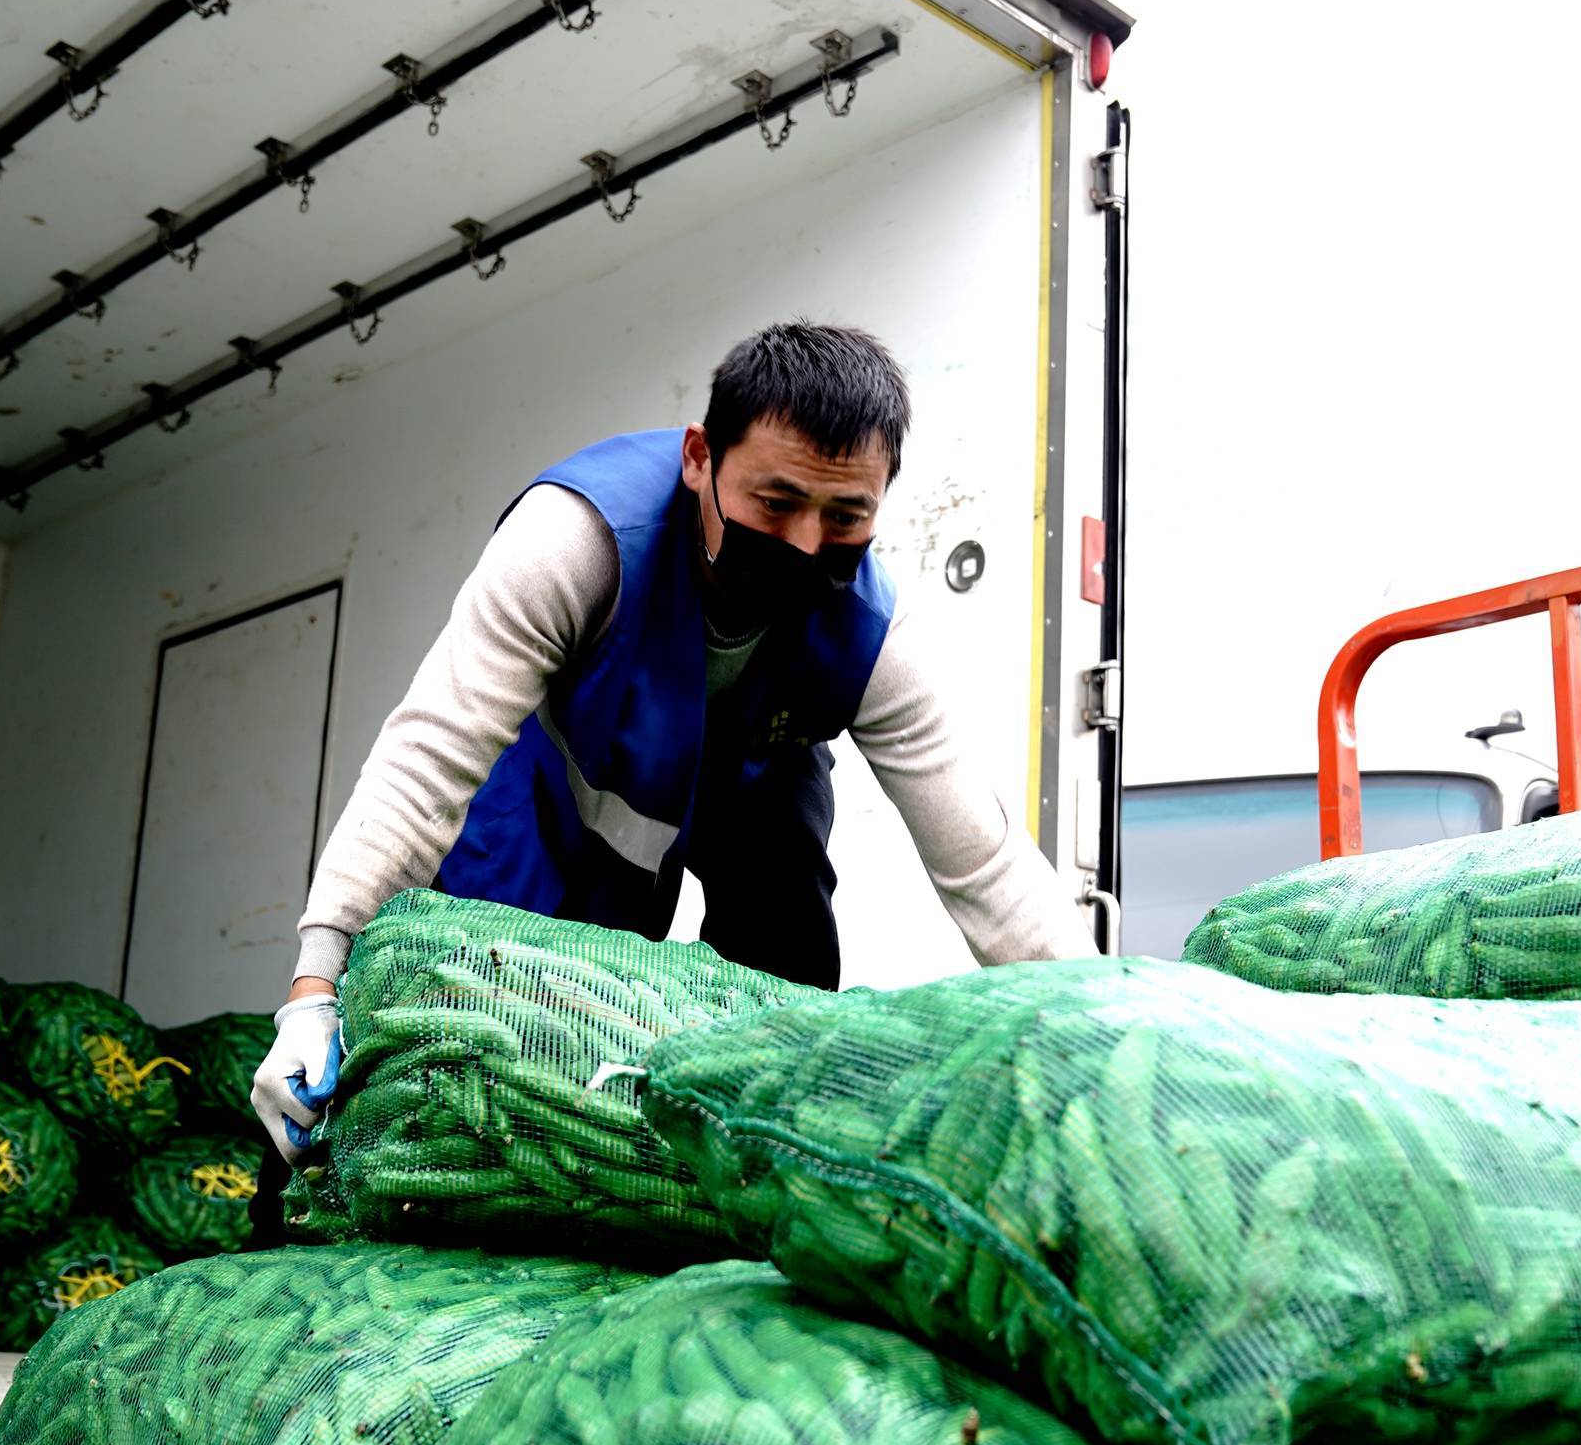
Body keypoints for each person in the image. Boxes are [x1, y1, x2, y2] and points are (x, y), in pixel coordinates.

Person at [250, 321, 1094, 1152]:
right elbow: (424, 761)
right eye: (777, 501)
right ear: (700, 458)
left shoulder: (872, 635)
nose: (805, 545)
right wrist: (315, 991)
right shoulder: (575, 543)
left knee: (786, 962)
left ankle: (749, 1164)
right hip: (564, 802)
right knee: (486, 1027)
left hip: (751, 784)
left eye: (845, 516)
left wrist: (1113, 1030)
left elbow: (984, 863)